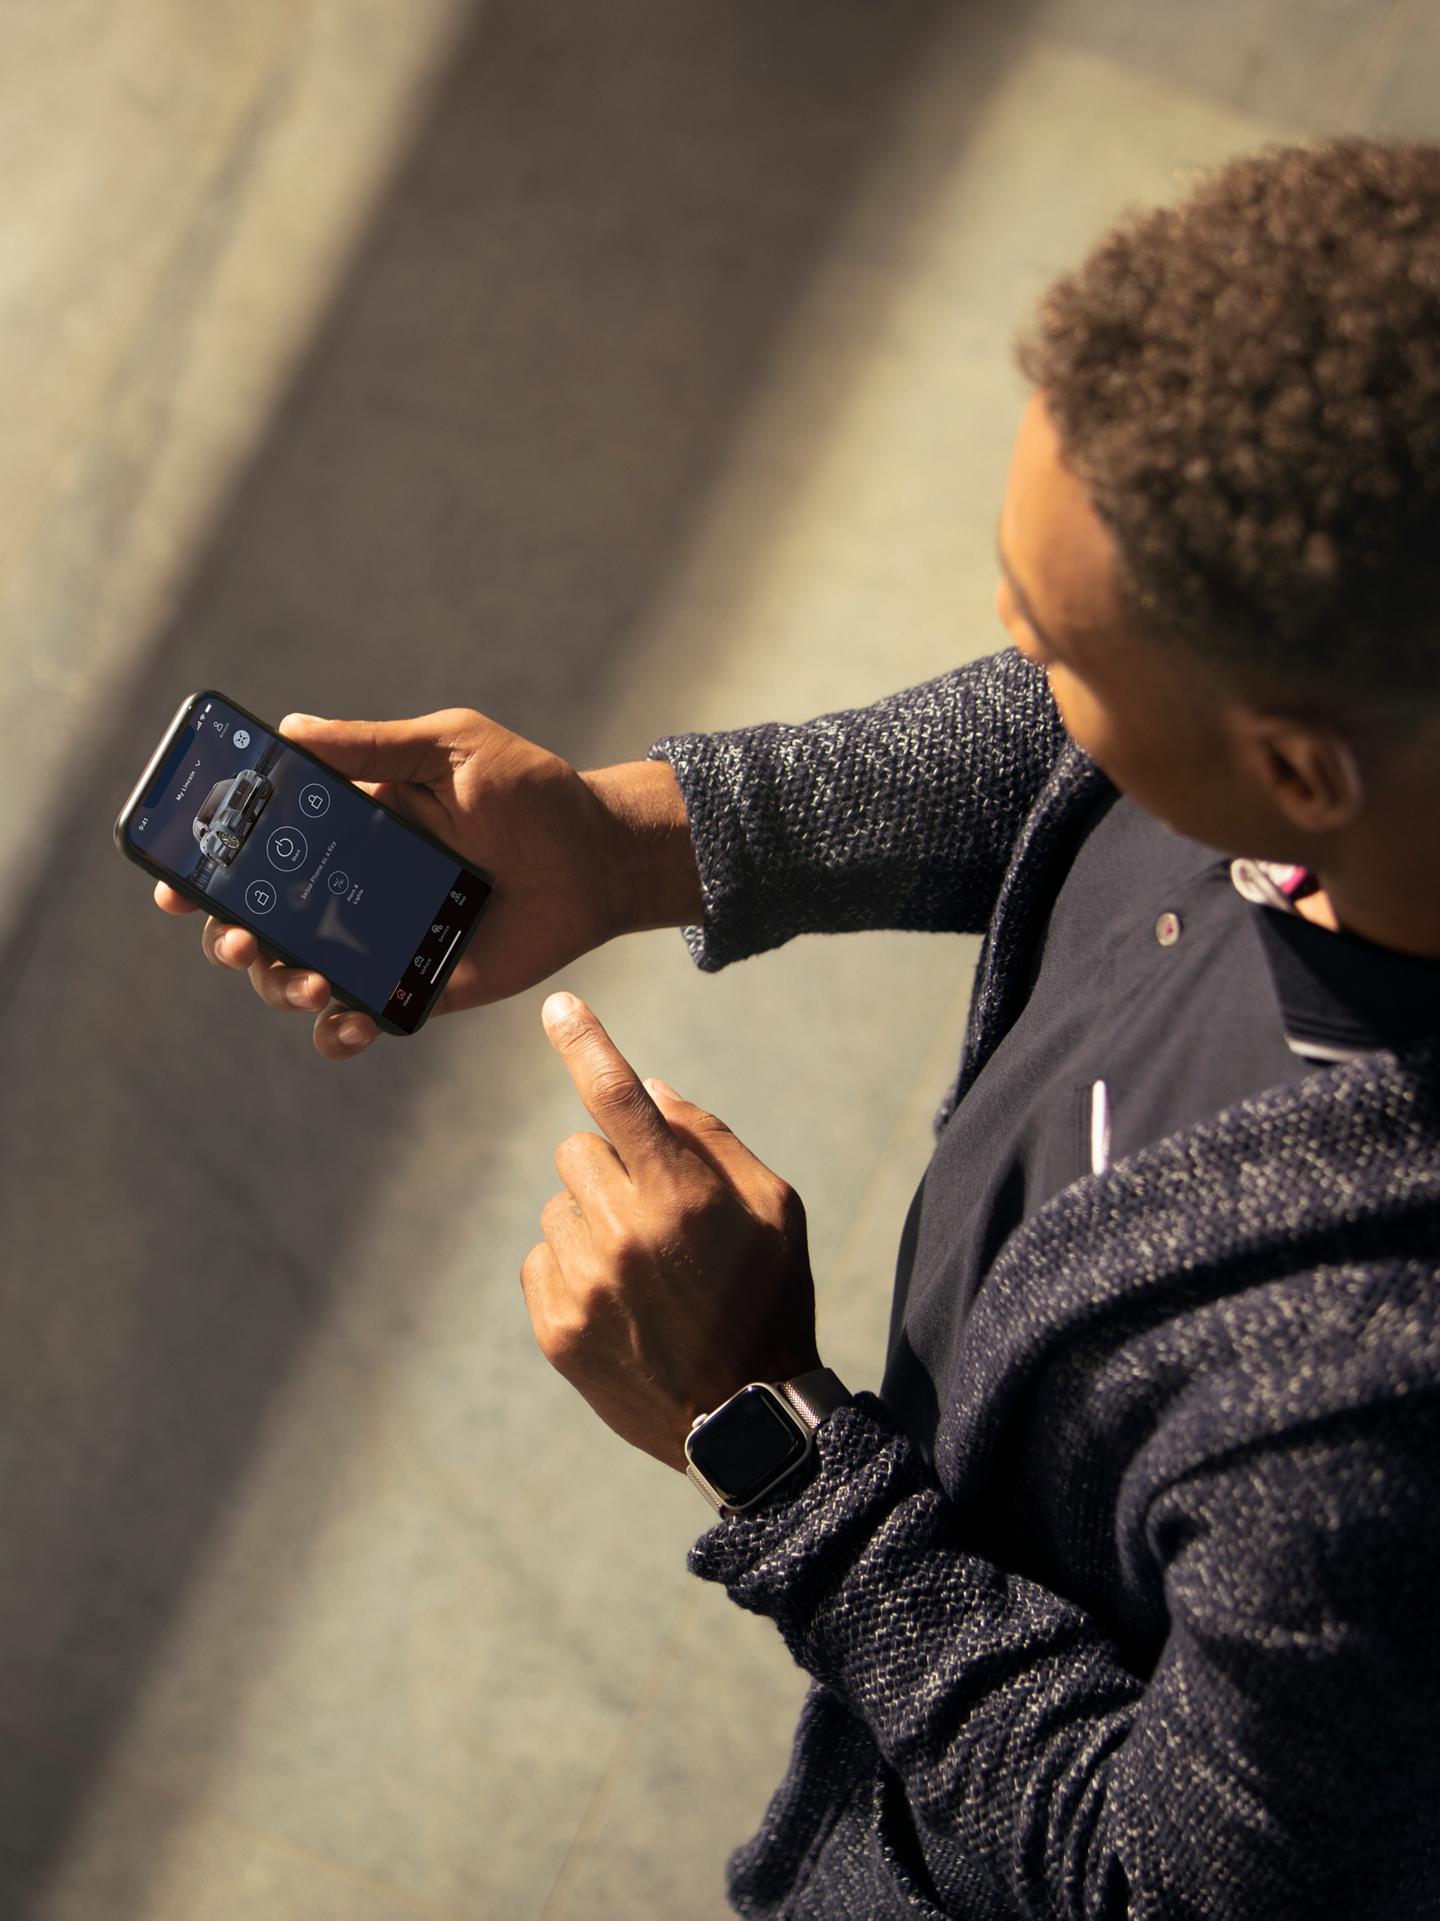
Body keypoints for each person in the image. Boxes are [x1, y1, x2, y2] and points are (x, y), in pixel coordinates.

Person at [157, 136, 1440, 1916]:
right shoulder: (1352, 756)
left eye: (1055, 638)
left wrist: (764, 1430)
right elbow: (1075, 746)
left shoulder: (1364, 1418)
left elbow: (1162, 1882)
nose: (1017, 657)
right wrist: (626, 844)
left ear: (1292, 770)